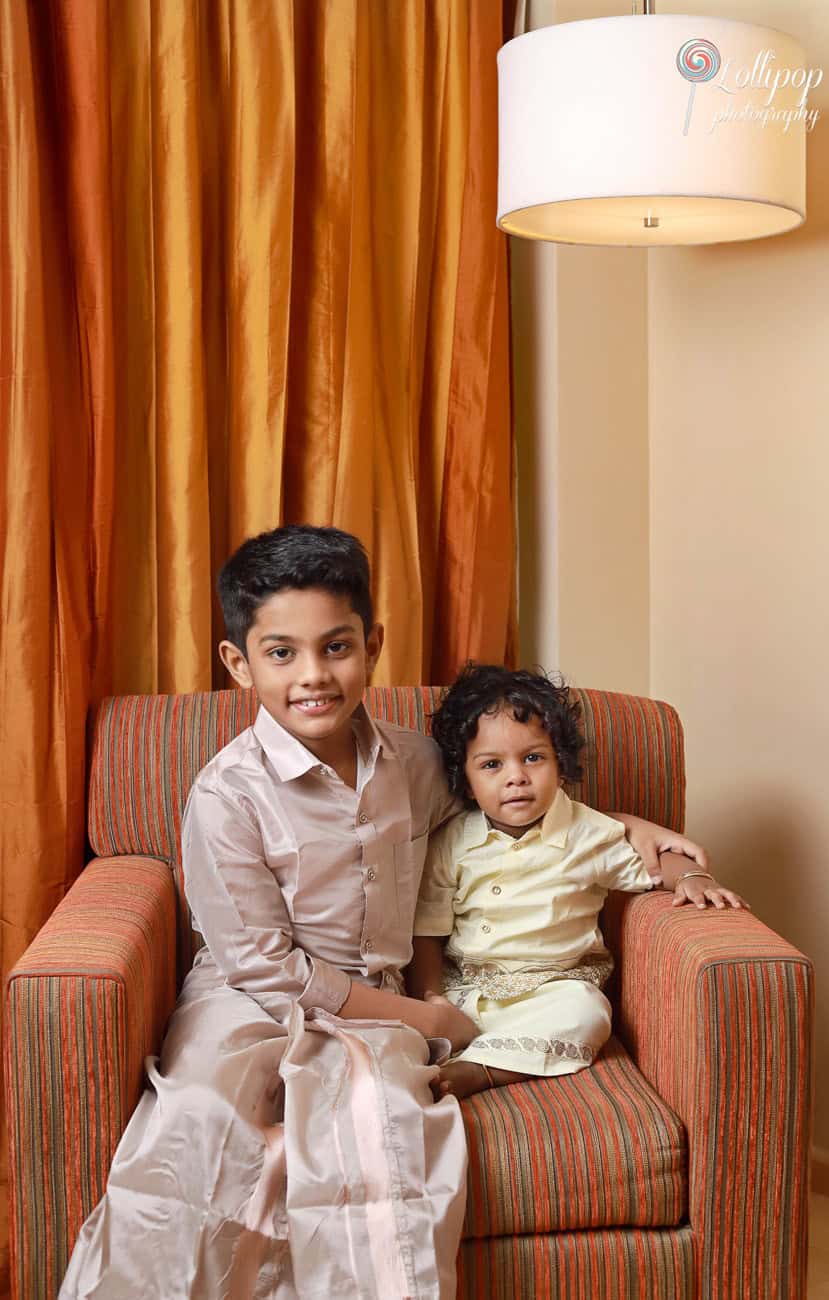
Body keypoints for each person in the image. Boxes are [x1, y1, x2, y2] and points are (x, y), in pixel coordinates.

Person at [60, 526, 712, 1300]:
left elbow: (543, 813)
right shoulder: (225, 794)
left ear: (371, 645)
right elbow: (261, 965)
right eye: (281, 653)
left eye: (335, 647)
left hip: (380, 999)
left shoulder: (419, 762)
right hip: (248, 1000)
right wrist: (431, 1021)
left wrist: (658, 842)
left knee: (382, 1142)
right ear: (238, 662)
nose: (313, 676)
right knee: (199, 1124)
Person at [409, 663, 748, 1101]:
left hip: (553, 992)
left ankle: (483, 1069)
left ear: (561, 765)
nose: (516, 777)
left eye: (533, 758)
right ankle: (467, 1046)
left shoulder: (587, 833)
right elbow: (428, 932)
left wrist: (692, 876)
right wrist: (431, 999)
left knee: (588, 1013)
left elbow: (657, 858)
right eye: (492, 764)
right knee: (418, 1026)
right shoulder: (452, 842)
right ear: (467, 782)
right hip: (470, 990)